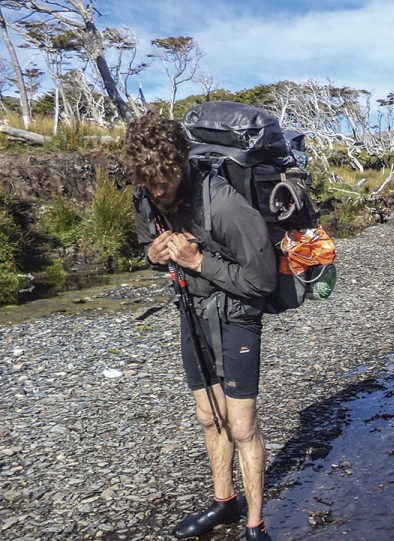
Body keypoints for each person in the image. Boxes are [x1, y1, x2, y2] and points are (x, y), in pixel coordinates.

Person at [125, 114, 277, 540]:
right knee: (209, 416)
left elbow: (261, 281)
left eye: (165, 179)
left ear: (183, 160)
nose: (158, 190)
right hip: (191, 311)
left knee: (242, 426)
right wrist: (154, 256)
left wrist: (198, 262)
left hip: (238, 313)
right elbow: (144, 245)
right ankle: (224, 502)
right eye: (148, 180)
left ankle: (255, 525)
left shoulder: (225, 204)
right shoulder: (146, 194)